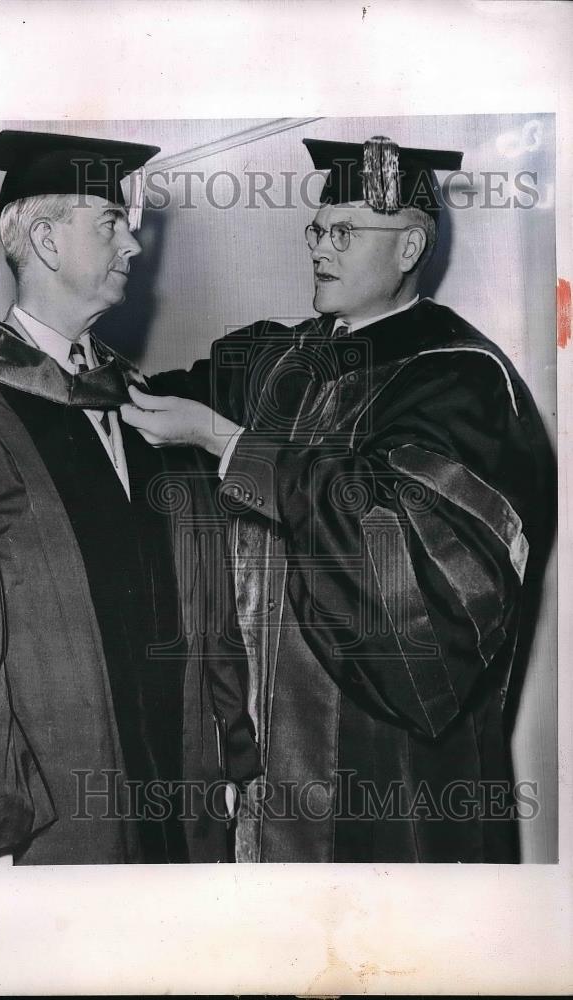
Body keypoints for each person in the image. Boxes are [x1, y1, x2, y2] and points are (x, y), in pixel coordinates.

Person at [122, 135, 555, 862]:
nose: (320, 247)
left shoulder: (464, 382)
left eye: (344, 232)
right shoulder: (276, 362)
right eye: (316, 229)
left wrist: (233, 446)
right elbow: (155, 401)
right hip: (264, 772)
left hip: (391, 773)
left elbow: (406, 572)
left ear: (411, 246)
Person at [0, 130, 259, 867]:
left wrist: (229, 757)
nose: (134, 247)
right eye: (110, 224)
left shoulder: (142, 401)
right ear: (44, 240)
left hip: (178, 795)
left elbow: (206, 598)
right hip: (49, 819)